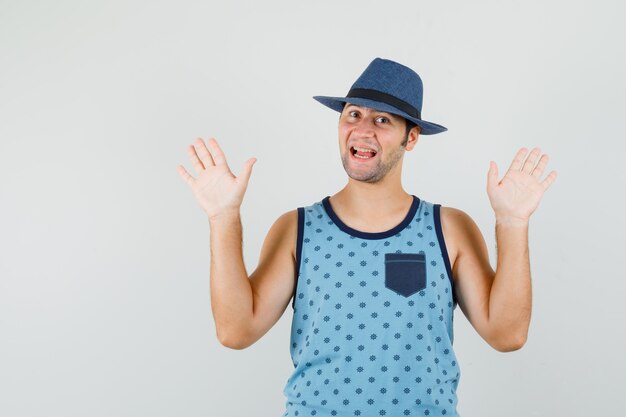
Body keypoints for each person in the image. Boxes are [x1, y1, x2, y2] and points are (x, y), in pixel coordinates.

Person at [176, 57, 557, 417]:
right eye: (353, 114)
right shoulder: (296, 229)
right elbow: (235, 330)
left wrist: (512, 222)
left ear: (411, 138)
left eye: (382, 120)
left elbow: (507, 334)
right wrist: (223, 216)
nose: (362, 129)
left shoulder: (450, 229)